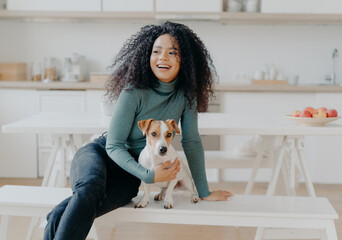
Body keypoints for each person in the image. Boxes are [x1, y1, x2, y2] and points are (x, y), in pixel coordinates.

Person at [44, 21, 233, 240]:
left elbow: (191, 141)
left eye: (172, 52)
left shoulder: (185, 97)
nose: (163, 57)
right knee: (90, 188)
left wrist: (204, 192)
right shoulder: (133, 92)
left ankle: (55, 219)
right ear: (147, 56)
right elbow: (114, 145)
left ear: (186, 60)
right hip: (102, 154)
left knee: (60, 214)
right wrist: (149, 175)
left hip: (130, 176)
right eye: (156, 51)